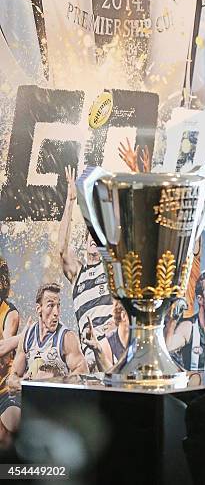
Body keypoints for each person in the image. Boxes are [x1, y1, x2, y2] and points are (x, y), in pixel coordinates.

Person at [59, 165, 113, 371]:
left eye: (97, 234)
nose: (93, 238)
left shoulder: (110, 268)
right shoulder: (77, 274)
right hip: (89, 356)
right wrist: (70, 201)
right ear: (84, 240)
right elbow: (62, 249)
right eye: (90, 234)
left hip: (111, 351)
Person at [8, 283, 88, 406]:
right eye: (50, 305)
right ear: (38, 309)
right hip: (32, 404)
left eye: (58, 306)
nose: (56, 312)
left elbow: (83, 372)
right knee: (11, 416)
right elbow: (12, 377)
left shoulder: (67, 337)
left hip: (56, 404)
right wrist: (19, 383)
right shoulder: (27, 336)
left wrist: (54, 383)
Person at [165, 271, 205, 373]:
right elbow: (167, 349)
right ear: (200, 299)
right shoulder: (188, 327)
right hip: (194, 387)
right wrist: (173, 319)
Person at [0, 258, 21, 446]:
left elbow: (4, 353)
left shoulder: (10, 313)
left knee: (10, 427)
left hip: (4, 391)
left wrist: (20, 338)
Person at [82, 298, 129, 373]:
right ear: (123, 316)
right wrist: (98, 351)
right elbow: (109, 380)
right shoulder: (106, 345)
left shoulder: (143, 340)